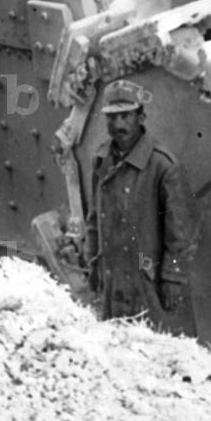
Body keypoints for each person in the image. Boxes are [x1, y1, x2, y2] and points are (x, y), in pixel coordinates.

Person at [86, 79, 199, 334]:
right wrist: (93, 263)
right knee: (119, 344)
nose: (118, 125)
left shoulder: (163, 166)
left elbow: (183, 231)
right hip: (114, 280)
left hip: (152, 284)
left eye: (126, 116)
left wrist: (173, 277)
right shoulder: (101, 160)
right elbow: (94, 219)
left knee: (162, 347)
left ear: (141, 117)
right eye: (111, 118)